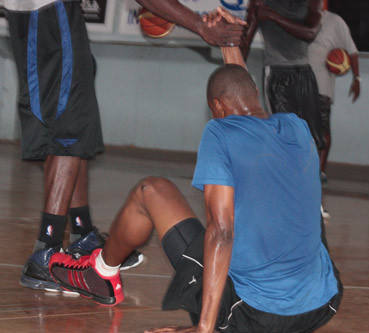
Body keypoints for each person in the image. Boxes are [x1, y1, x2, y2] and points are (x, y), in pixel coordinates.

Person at [49, 64, 342, 333]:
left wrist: (203, 329)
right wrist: (230, 46)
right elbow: (239, 83)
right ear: (255, 92)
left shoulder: (220, 131)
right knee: (296, 199)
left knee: (150, 190)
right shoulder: (296, 126)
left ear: (216, 106)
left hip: (255, 315)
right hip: (322, 303)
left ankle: (101, 272)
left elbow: (221, 231)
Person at [5, 0, 244, 293]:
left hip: (48, 14)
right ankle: (46, 251)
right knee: (67, 130)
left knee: (78, 123)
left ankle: (83, 235)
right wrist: (198, 25)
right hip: (48, 13)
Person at [241, 0, 325, 150]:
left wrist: (273, 16)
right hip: (277, 74)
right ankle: (283, 172)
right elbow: (245, 40)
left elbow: (310, 33)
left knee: (313, 139)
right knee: (285, 139)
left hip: (305, 74)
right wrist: (235, 75)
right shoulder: (260, 2)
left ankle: (311, 173)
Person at [308, 3, 361, 185]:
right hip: (298, 85)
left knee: (323, 131)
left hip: (322, 87)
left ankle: (320, 171)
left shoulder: (335, 21)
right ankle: (301, 169)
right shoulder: (298, 17)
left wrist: (357, 79)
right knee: (299, 131)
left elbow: (352, 52)